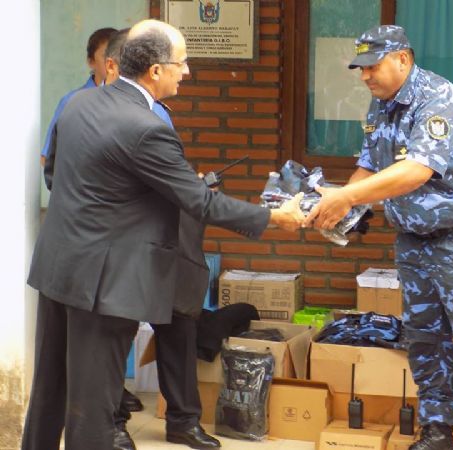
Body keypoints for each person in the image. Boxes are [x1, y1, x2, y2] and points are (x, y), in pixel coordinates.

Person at [22, 19, 305, 450]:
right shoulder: (146, 128)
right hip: (105, 283)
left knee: (50, 392)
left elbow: (60, 174)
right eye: (181, 63)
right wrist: (275, 219)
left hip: (60, 267)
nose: (187, 71)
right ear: (155, 70)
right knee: (93, 410)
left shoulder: (81, 103)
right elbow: (201, 202)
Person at [304, 25, 453, 450]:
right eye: (361, 68)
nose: (365, 76)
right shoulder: (380, 107)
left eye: (373, 66)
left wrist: (347, 196)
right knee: (424, 338)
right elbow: (370, 169)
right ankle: (437, 431)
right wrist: (342, 209)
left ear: (403, 59)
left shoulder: (438, 98)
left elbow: (416, 171)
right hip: (415, 238)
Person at [102, 28, 221, 450]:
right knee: (117, 328)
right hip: (128, 240)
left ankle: (184, 421)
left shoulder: (158, 110)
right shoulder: (84, 109)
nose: (186, 72)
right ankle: (113, 422)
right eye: (180, 64)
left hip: (172, 233)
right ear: (107, 63)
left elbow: (173, 173)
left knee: (179, 320)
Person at [40, 26, 117, 167]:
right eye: (106, 55)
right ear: (91, 61)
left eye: (119, 55)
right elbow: (48, 157)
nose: (113, 61)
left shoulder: (143, 102)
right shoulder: (71, 101)